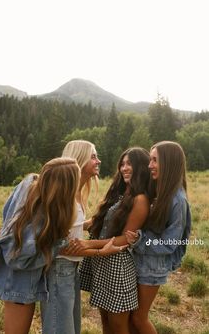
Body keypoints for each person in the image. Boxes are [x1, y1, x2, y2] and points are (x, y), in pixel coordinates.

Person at [40, 140, 126, 334]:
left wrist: (92, 224)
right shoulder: (65, 194)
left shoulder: (76, 191)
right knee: (60, 329)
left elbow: (70, 228)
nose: (98, 161)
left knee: (70, 328)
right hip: (59, 269)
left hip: (70, 269)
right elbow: (63, 246)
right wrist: (101, 251)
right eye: (93, 156)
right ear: (80, 158)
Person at [0, 157, 81, 334]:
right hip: (19, 283)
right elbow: (18, 258)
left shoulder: (28, 184)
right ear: (65, 187)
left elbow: (6, 213)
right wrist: (58, 246)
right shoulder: (43, 216)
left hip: (17, 280)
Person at [78, 147, 151, 334]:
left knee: (119, 326)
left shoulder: (140, 199)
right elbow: (97, 221)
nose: (125, 168)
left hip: (118, 267)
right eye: (123, 164)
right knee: (105, 321)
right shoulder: (119, 193)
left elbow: (124, 239)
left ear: (141, 167)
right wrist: (74, 225)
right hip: (102, 262)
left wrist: (87, 244)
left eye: (130, 164)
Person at [125, 141, 192, 334]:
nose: (150, 165)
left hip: (153, 268)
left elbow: (170, 244)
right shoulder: (159, 190)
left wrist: (140, 241)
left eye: (155, 160)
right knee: (131, 318)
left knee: (138, 318)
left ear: (169, 163)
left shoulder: (177, 200)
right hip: (142, 262)